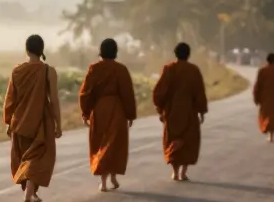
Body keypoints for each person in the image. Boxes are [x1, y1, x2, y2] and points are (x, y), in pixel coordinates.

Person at [4, 34, 61, 202]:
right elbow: (54, 100)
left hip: (20, 121)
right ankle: (29, 193)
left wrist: (8, 122)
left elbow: (10, 99)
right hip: (40, 121)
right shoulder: (48, 71)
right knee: (38, 157)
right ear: (41, 50)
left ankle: (31, 194)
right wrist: (58, 122)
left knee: (24, 158)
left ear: (27, 50)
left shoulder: (17, 70)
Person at [79, 38, 138, 192]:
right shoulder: (121, 69)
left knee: (100, 143)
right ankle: (113, 176)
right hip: (117, 109)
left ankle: (103, 182)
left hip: (99, 110)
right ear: (115, 52)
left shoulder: (94, 69)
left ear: (101, 51)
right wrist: (130, 114)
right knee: (115, 143)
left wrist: (86, 112)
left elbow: (85, 93)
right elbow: (127, 93)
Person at [152, 42, 209, 181]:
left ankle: (175, 171)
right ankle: (183, 172)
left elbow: (159, 91)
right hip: (189, 110)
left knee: (172, 139)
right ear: (188, 54)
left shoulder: (169, 69)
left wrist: (160, 109)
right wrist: (201, 111)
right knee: (188, 140)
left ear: (175, 53)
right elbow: (199, 92)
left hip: (171, 111)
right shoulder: (194, 70)